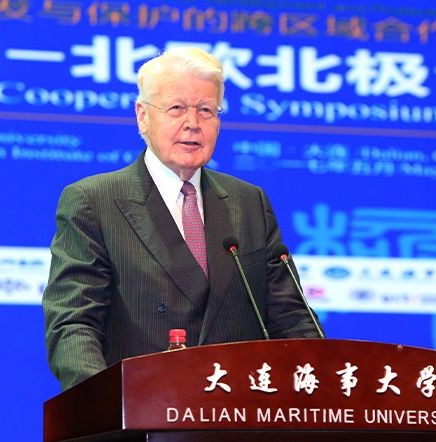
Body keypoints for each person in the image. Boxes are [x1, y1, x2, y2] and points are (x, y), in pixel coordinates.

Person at [42, 47, 323, 391]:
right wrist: (103, 400)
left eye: (206, 110)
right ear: (142, 116)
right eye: (176, 108)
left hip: (238, 409)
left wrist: (323, 385)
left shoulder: (249, 202)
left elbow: (292, 318)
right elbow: (74, 324)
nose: (193, 123)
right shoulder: (94, 202)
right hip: (144, 407)